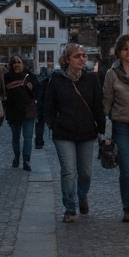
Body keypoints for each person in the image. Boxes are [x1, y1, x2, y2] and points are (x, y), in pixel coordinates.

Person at [44, 43, 102, 223]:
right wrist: (53, 123)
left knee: (85, 172)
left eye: (84, 55)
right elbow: (48, 105)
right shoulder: (57, 79)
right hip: (64, 133)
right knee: (69, 172)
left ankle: (82, 194)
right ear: (67, 59)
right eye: (77, 56)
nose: (82, 59)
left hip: (86, 132)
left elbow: (97, 106)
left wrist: (101, 131)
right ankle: (69, 208)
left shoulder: (91, 79)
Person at [104, 34, 129, 222]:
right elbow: (107, 102)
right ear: (119, 53)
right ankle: (127, 206)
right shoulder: (112, 75)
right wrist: (104, 131)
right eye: (125, 49)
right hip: (121, 127)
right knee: (127, 169)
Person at [3, 56, 37, 171]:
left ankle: (26, 160)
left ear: (23, 64)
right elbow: (3, 93)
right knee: (15, 138)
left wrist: (32, 88)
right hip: (13, 111)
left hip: (28, 111)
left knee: (28, 138)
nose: (16, 65)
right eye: (14, 63)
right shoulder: (7, 77)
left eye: (19, 62)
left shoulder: (30, 77)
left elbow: (38, 92)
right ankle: (17, 158)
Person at [33, 66, 50, 149]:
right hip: (43, 105)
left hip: (39, 104)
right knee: (41, 124)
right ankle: (39, 140)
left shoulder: (37, 80)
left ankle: (39, 140)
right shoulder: (47, 82)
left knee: (39, 124)